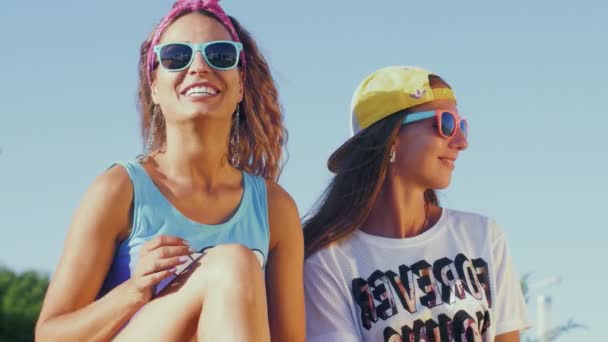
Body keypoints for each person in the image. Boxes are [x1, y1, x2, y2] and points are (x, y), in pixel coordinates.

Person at [35, 1, 305, 341]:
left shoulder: (274, 208)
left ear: (239, 85)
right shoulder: (120, 189)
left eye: (220, 55)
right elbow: (49, 334)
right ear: (155, 87)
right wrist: (134, 292)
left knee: (235, 266)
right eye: (176, 56)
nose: (199, 67)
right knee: (232, 264)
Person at [303, 66, 528, 341]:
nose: (461, 142)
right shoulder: (328, 262)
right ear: (393, 136)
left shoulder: (483, 237)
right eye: (446, 124)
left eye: (463, 126)